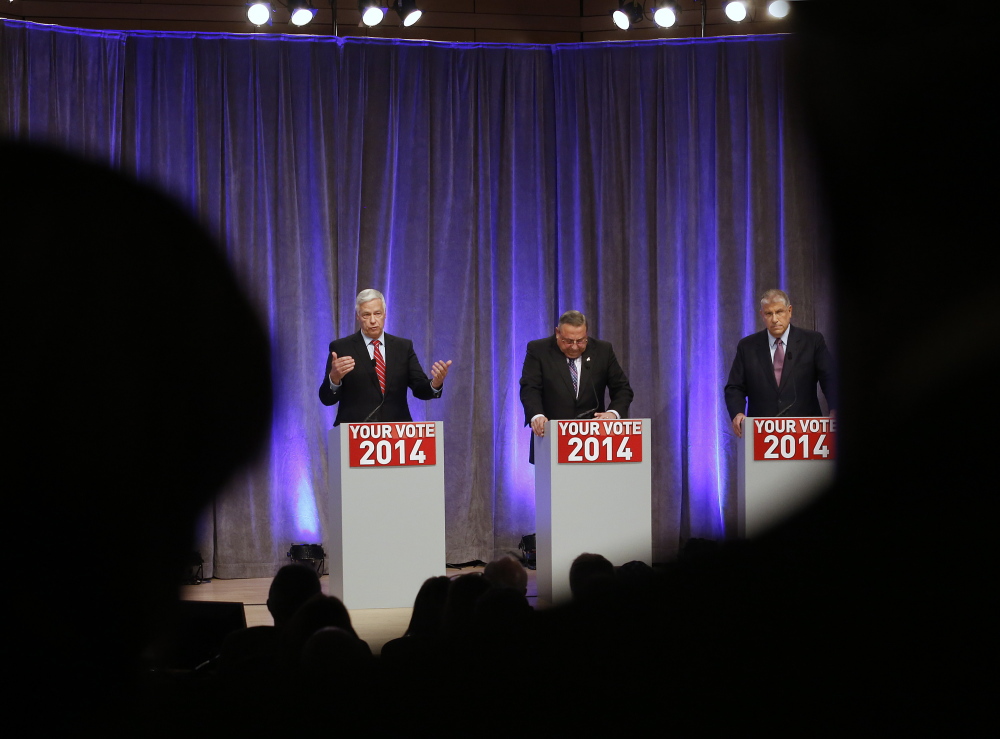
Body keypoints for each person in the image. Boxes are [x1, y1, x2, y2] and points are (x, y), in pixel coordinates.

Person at [319, 289, 452, 423]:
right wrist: (334, 379)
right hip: (355, 433)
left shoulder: (403, 347)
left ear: (385, 314)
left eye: (377, 313)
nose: (372, 320)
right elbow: (327, 399)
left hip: (397, 433)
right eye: (366, 315)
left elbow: (419, 388)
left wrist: (435, 384)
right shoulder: (341, 348)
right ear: (358, 317)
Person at [518, 310, 634, 460]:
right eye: (568, 341)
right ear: (557, 333)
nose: (574, 347)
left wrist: (613, 413)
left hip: (594, 443)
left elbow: (623, 389)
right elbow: (530, 387)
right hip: (551, 440)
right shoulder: (539, 350)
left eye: (580, 341)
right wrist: (537, 415)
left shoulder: (603, 350)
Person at [724, 289, 835, 438]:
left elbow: (830, 379)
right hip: (762, 434)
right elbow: (734, 387)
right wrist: (738, 413)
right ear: (762, 315)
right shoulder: (747, 346)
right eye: (769, 314)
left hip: (806, 432)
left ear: (789, 311)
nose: (775, 319)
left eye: (779, 312)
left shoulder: (812, 341)